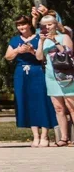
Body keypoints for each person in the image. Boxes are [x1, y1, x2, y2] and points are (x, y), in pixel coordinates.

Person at [6, 15, 56, 146]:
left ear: (29, 24)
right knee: (27, 102)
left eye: (23, 24)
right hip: (21, 73)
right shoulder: (15, 40)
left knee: (42, 101)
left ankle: (45, 135)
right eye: (18, 25)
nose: (21, 27)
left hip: (37, 71)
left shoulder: (39, 37)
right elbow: (8, 56)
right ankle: (35, 136)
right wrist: (18, 50)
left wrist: (31, 51)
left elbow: (42, 57)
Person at [37, 13, 74, 145]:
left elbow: (68, 53)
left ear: (55, 24)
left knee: (71, 106)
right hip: (51, 77)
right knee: (58, 108)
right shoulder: (42, 39)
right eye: (44, 25)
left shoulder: (64, 37)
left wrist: (55, 41)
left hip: (66, 76)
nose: (47, 27)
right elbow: (39, 57)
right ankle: (64, 137)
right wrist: (41, 42)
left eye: (50, 24)